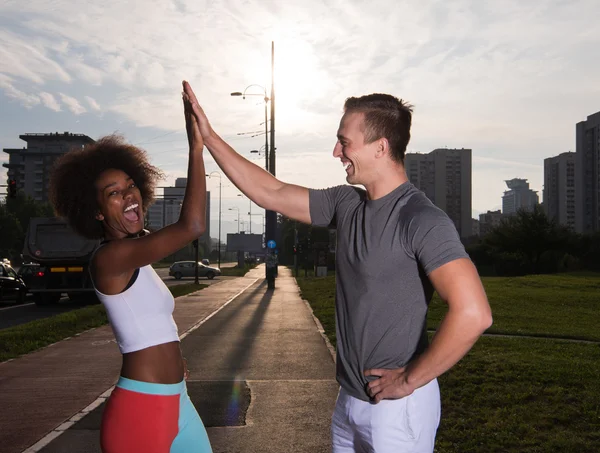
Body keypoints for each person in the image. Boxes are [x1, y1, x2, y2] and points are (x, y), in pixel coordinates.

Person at [183, 83, 492, 453]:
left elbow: (473, 313)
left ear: (381, 147)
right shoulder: (346, 203)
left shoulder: (421, 219)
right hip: (348, 402)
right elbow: (272, 193)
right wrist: (210, 138)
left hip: (397, 411)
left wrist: (410, 379)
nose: (336, 152)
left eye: (344, 142)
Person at [49, 81, 213, 453]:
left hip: (178, 401)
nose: (129, 195)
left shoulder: (135, 251)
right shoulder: (110, 259)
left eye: (130, 185)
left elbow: (149, 323)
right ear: (96, 212)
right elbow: (193, 226)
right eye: (113, 193)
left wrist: (174, 357)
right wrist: (197, 147)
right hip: (141, 411)